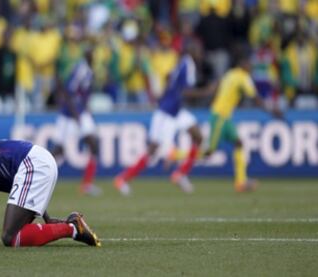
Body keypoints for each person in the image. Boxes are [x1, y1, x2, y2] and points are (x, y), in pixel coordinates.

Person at [171, 47, 281, 192]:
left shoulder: (230, 74)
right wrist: (272, 111)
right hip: (220, 116)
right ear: (243, 63)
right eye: (250, 64)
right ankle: (176, 154)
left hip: (224, 116)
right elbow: (256, 99)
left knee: (239, 143)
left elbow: (220, 90)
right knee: (208, 152)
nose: (251, 67)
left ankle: (240, 183)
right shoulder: (243, 77)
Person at [114, 42, 215, 195]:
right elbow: (185, 92)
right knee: (153, 149)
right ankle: (122, 179)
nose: (200, 53)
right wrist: (206, 92)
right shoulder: (188, 64)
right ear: (192, 51)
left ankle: (180, 174)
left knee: (198, 136)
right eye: (198, 50)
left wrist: (165, 95)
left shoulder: (183, 64)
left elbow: (171, 80)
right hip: (167, 112)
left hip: (176, 110)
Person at [52, 48, 101, 196]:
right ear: (88, 55)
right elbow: (68, 91)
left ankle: (86, 184)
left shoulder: (88, 71)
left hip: (80, 112)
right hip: (70, 115)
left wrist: (86, 109)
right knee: (59, 151)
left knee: (93, 143)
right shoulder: (81, 69)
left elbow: (82, 94)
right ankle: (36, 177)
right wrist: (76, 114)